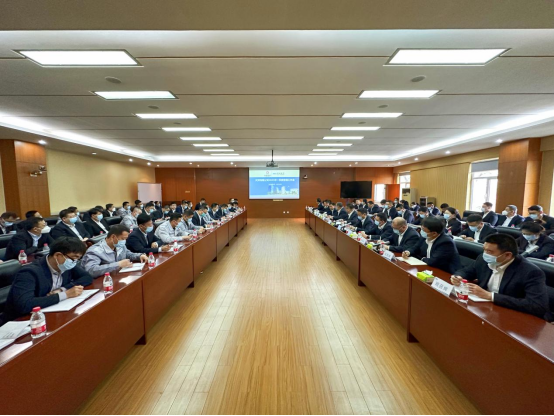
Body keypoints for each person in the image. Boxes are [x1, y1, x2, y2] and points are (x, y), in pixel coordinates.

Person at [451, 234, 550, 320]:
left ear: (507, 255)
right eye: (484, 249)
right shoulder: (483, 259)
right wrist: (458, 276)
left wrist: (490, 296)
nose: (485, 254)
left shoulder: (530, 272)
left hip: (512, 316)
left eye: (489, 252)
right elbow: (466, 271)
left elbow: (537, 306)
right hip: (484, 308)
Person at [3, 237, 93, 321]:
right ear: (58, 255)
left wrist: (63, 289)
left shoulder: (65, 264)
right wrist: (65, 294)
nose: (75, 262)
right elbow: (24, 304)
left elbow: (87, 277)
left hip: (51, 313)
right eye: (74, 258)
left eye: (78, 259)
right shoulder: (29, 272)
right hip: (23, 320)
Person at [81, 224, 147, 278]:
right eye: (123, 239)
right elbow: (91, 270)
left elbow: (127, 254)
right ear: (113, 237)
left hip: (117, 277)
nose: (124, 241)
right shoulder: (95, 251)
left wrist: (140, 256)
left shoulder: (118, 245)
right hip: (103, 282)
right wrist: (118, 264)